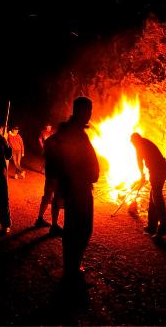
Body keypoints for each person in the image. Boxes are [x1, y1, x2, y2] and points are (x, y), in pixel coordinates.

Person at [48, 96, 99, 284]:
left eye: (90, 110)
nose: (90, 114)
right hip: (77, 188)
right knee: (81, 228)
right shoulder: (72, 133)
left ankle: (72, 266)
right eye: (88, 110)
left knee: (77, 228)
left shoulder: (75, 131)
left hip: (79, 187)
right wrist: (71, 180)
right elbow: (67, 160)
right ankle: (71, 268)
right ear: (79, 111)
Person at [130, 132, 166, 237]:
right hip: (158, 169)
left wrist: (142, 175)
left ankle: (164, 227)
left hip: (158, 170)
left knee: (156, 197)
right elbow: (141, 160)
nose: (133, 146)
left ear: (135, 141)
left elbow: (139, 161)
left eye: (133, 143)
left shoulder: (140, 144)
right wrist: (142, 175)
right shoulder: (143, 142)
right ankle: (152, 226)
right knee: (153, 197)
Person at [35, 124, 64, 236]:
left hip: (50, 173)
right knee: (56, 199)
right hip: (57, 174)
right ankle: (54, 225)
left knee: (47, 196)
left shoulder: (50, 140)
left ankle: (40, 219)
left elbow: (44, 154)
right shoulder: (62, 142)